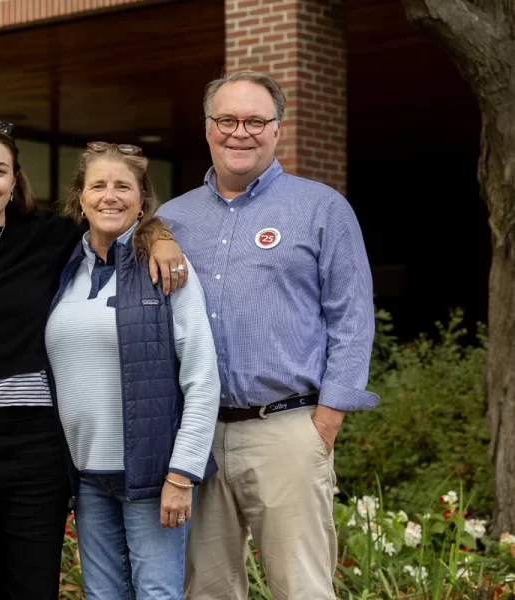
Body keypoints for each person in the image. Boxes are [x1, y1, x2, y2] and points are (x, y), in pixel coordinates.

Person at [0, 123, 187, 599]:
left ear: (15, 178)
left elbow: (115, 212)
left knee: (32, 591)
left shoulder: (49, 236)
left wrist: (160, 235)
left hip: (36, 447)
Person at [155, 70, 379, 600]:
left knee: (300, 588)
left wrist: (324, 422)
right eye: (227, 120)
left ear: (278, 129)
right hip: (197, 439)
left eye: (256, 120)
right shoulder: (172, 219)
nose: (241, 132)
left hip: (287, 430)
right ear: (208, 128)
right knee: (206, 589)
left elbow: (352, 317)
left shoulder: (321, 207)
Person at [44, 142, 220, 599]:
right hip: (86, 477)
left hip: (153, 476)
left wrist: (182, 474)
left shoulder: (166, 268)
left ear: (142, 201)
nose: (109, 195)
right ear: (79, 199)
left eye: (123, 186)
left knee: (157, 594)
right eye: (97, 185)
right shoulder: (63, 269)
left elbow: (201, 378)